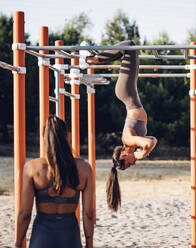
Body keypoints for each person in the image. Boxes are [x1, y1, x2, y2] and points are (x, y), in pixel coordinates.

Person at [80, 40, 157, 212]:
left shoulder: (128, 139)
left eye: (129, 163)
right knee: (132, 50)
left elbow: (149, 143)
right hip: (129, 94)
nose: (133, 163)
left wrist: (139, 155)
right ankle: (91, 57)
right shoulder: (133, 143)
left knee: (129, 46)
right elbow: (153, 140)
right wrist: (142, 152)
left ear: (123, 154)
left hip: (126, 92)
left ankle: (89, 60)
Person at [15, 115, 94, 248]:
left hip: (42, 236)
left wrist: (18, 244)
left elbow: (24, 213)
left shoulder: (32, 168)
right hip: (70, 237)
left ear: (43, 137)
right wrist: (89, 244)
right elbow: (88, 214)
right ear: (67, 136)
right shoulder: (84, 168)